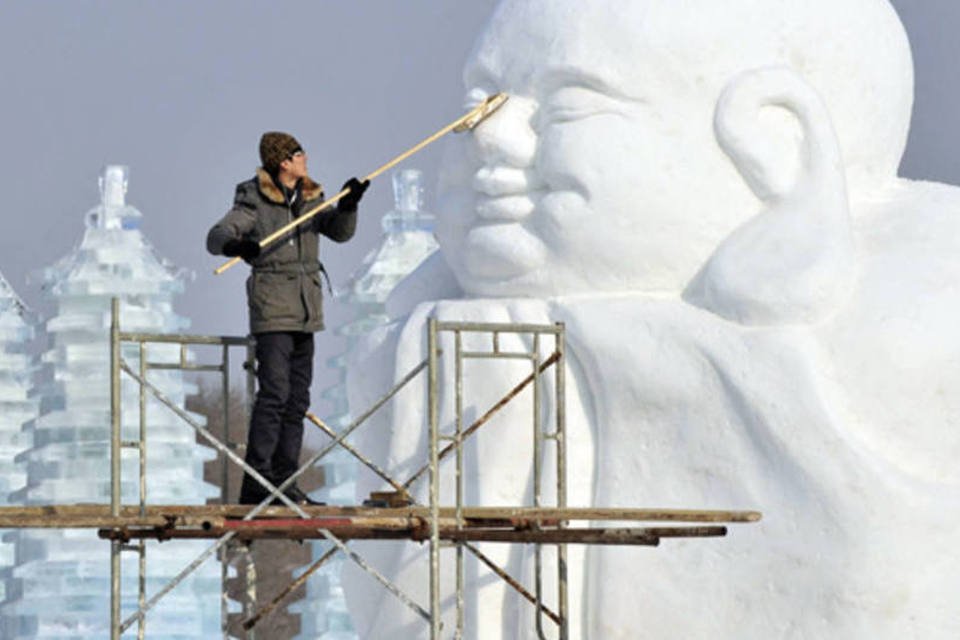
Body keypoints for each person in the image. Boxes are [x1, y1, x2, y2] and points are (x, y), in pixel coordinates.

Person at [343, 1, 960, 638]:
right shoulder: (422, 347)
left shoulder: (919, 315)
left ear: (776, 142)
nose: (489, 137)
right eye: (480, 107)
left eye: (569, 104)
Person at [207, 131, 368, 505]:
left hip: (305, 312)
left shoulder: (311, 197)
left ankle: (284, 479)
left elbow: (339, 233)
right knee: (275, 394)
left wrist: (349, 206)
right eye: (298, 153)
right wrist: (236, 245)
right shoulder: (253, 200)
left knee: (297, 399)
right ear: (283, 161)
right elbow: (217, 236)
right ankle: (257, 479)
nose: (305, 157)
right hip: (273, 310)